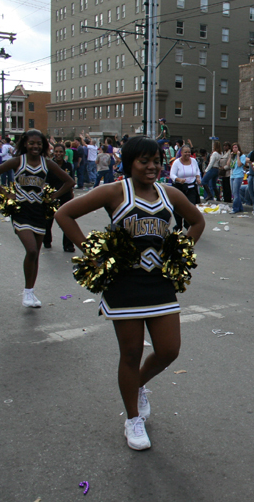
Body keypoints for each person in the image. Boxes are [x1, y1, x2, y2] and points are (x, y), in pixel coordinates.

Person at [55, 136, 205, 450]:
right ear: (130, 163)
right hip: (124, 286)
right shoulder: (113, 191)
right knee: (131, 354)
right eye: (143, 161)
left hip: (159, 284)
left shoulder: (170, 194)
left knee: (168, 350)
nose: (151, 167)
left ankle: (137, 385)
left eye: (156, 161)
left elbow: (197, 221)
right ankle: (132, 419)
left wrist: (179, 252)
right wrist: (92, 253)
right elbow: (64, 215)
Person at [0, 130, 75, 308]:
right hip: (21, 211)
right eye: (32, 143)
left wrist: (53, 196)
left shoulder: (46, 163)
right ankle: (27, 293)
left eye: (39, 143)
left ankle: (30, 293)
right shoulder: (18, 161)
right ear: (25, 144)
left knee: (35, 255)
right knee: (32, 250)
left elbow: (69, 182)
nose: (35, 146)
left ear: (43, 145)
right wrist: (6, 193)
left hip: (39, 211)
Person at [44, 143, 76, 252]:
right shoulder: (49, 165)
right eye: (56, 151)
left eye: (61, 152)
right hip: (52, 196)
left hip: (66, 196)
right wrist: (49, 195)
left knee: (67, 220)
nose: (58, 154)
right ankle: (47, 240)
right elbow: (45, 182)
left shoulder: (68, 166)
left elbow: (71, 181)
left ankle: (68, 245)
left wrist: (71, 193)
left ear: (64, 153)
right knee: (48, 220)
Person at [169, 144, 201, 232]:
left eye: (189, 152)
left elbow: (197, 170)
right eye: (185, 152)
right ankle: (178, 225)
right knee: (179, 207)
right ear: (181, 153)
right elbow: (172, 175)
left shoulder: (194, 161)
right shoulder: (176, 162)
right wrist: (179, 179)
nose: (187, 154)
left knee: (191, 207)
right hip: (180, 187)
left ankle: (188, 225)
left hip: (191, 187)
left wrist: (198, 178)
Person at [229, 144, 247, 213]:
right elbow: (228, 164)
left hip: (238, 175)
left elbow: (239, 164)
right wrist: (230, 157)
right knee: (234, 192)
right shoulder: (233, 157)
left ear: (238, 148)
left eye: (236, 147)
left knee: (235, 193)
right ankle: (240, 207)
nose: (234, 149)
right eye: (233, 148)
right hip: (232, 175)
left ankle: (235, 208)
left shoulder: (242, 156)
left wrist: (238, 156)